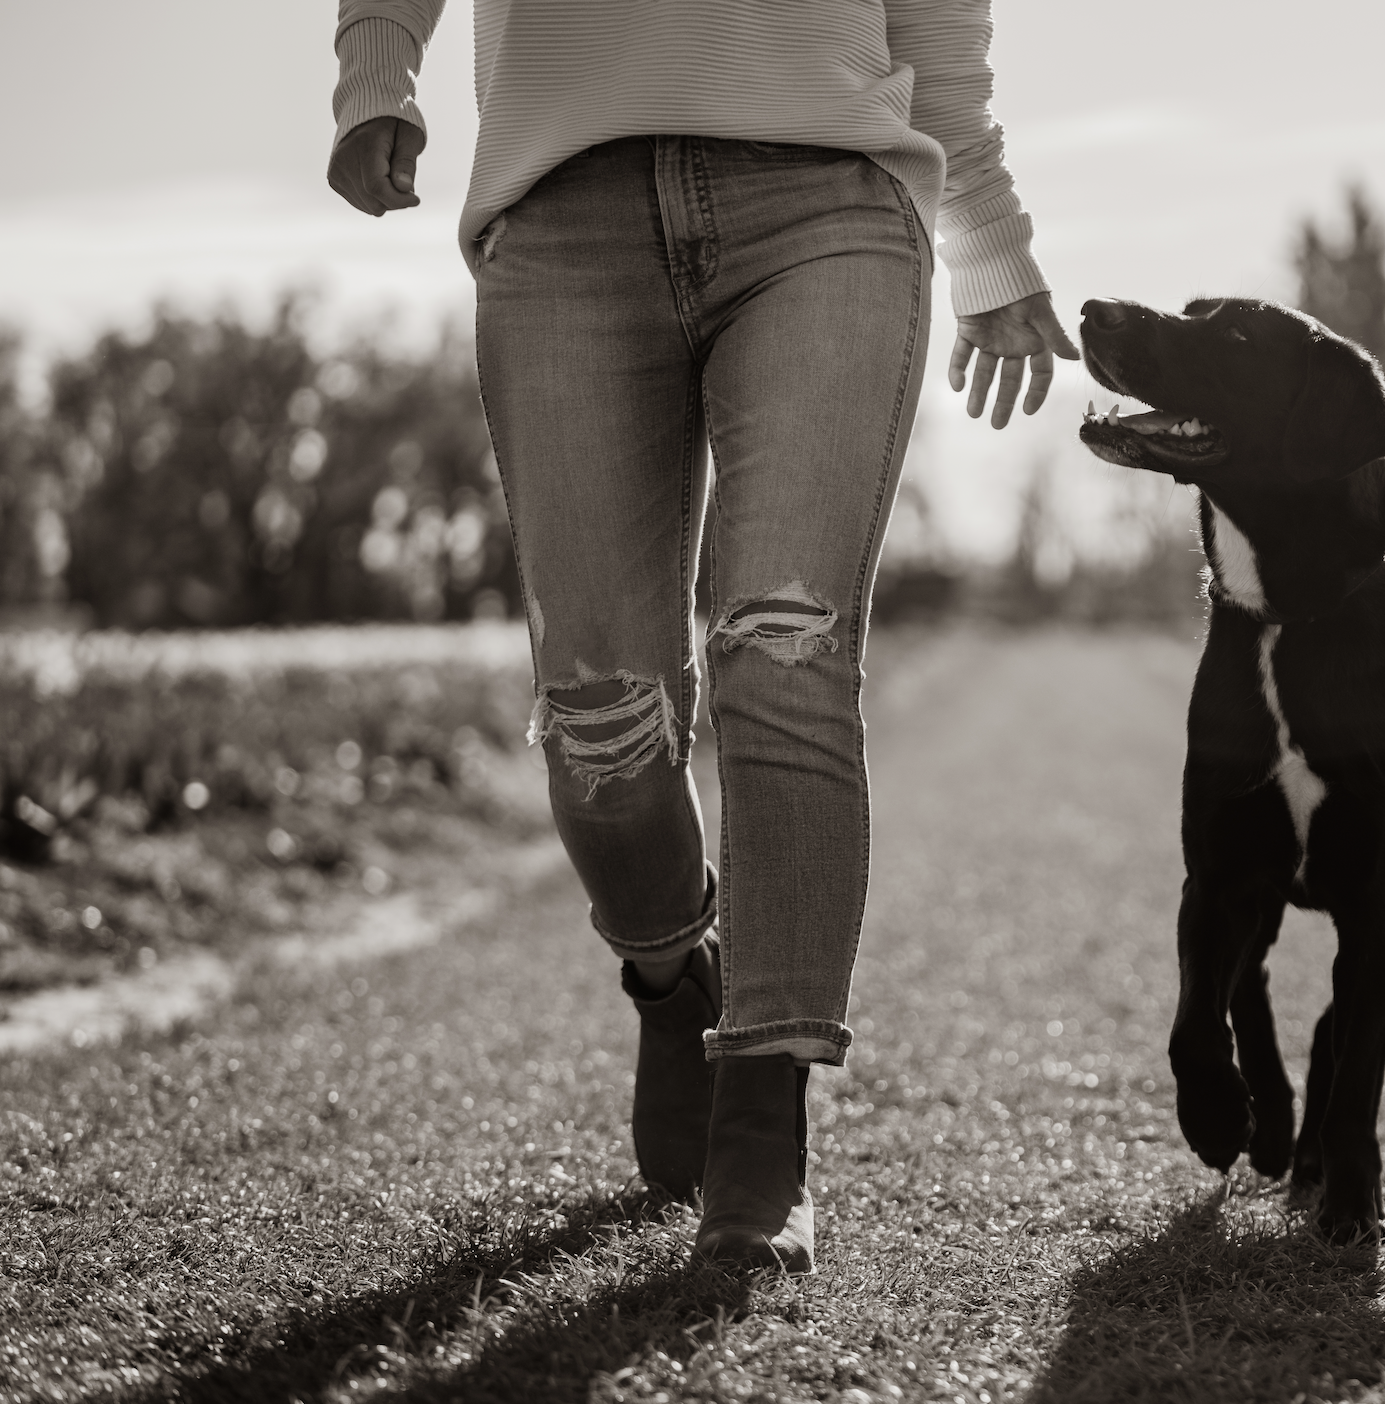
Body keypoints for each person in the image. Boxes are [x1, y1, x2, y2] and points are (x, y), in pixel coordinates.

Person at [324, 0, 1077, 1274]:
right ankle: (676, 972)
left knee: (781, 649)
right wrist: (374, 70)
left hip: (830, 206)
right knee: (599, 725)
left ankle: (763, 1118)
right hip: (563, 213)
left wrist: (992, 252)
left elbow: (939, 38)